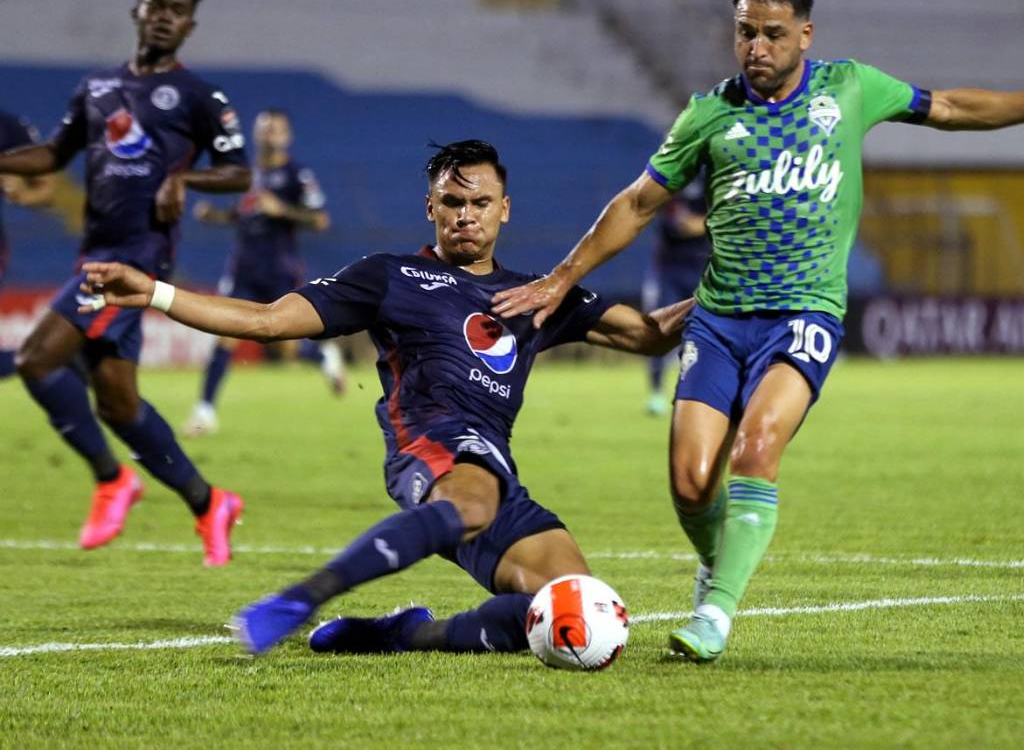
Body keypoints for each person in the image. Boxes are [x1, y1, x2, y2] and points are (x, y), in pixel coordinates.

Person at [491, 0, 1024, 661]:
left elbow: (948, 107)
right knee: (690, 483)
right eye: (744, 33)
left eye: (772, 33)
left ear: (805, 35)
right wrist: (561, 278)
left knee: (757, 448)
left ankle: (715, 615)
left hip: (805, 314)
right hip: (719, 318)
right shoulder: (708, 114)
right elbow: (639, 203)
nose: (756, 47)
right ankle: (719, 561)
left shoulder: (849, 88)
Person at [80, 139, 690, 656]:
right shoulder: (391, 276)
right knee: (475, 500)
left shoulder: (537, 294)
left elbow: (650, 335)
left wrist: (729, 291)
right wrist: (155, 292)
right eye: (452, 202)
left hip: (493, 469)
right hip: (430, 444)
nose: (466, 216)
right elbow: (267, 320)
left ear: (505, 209)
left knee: (573, 606)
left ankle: (405, 634)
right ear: (430, 207)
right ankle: (299, 599)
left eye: (480, 203)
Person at [0, 0, 252, 565]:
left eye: (177, 10)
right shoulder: (96, 88)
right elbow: (52, 155)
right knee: (118, 404)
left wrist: (185, 179)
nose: (164, 16)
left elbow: (238, 172)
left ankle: (112, 480)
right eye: (156, 4)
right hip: (94, 252)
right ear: (137, 11)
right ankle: (209, 502)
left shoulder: (199, 97)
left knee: (37, 359)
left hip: (135, 260)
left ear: (189, 26)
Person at [184, 108, 344, 437]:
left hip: (279, 270)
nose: (270, 133)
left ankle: (322, 356)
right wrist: (216, 216)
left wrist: (281, 209)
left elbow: (320, 220)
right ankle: (204, 411)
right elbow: (242, 215)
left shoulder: (297, 175)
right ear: (256, 133)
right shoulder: (246, 175)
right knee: (225, 334)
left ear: (287, 136)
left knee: (286, 349)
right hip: (243, 268)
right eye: (265, 128)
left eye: (276, 129)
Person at [642, 179, 708, 416]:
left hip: (702, 270)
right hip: (669, 271)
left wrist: (704, 223)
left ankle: (696, 393)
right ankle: (656, 392)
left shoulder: (710, 180)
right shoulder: (670, 181)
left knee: (702, 332)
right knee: (659, 330)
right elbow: (677, 222)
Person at [0, 110, 55, 379]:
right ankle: (54, 358)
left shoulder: (7, 127)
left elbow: (46, 188)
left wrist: (18, 195)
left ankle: (51, 358)